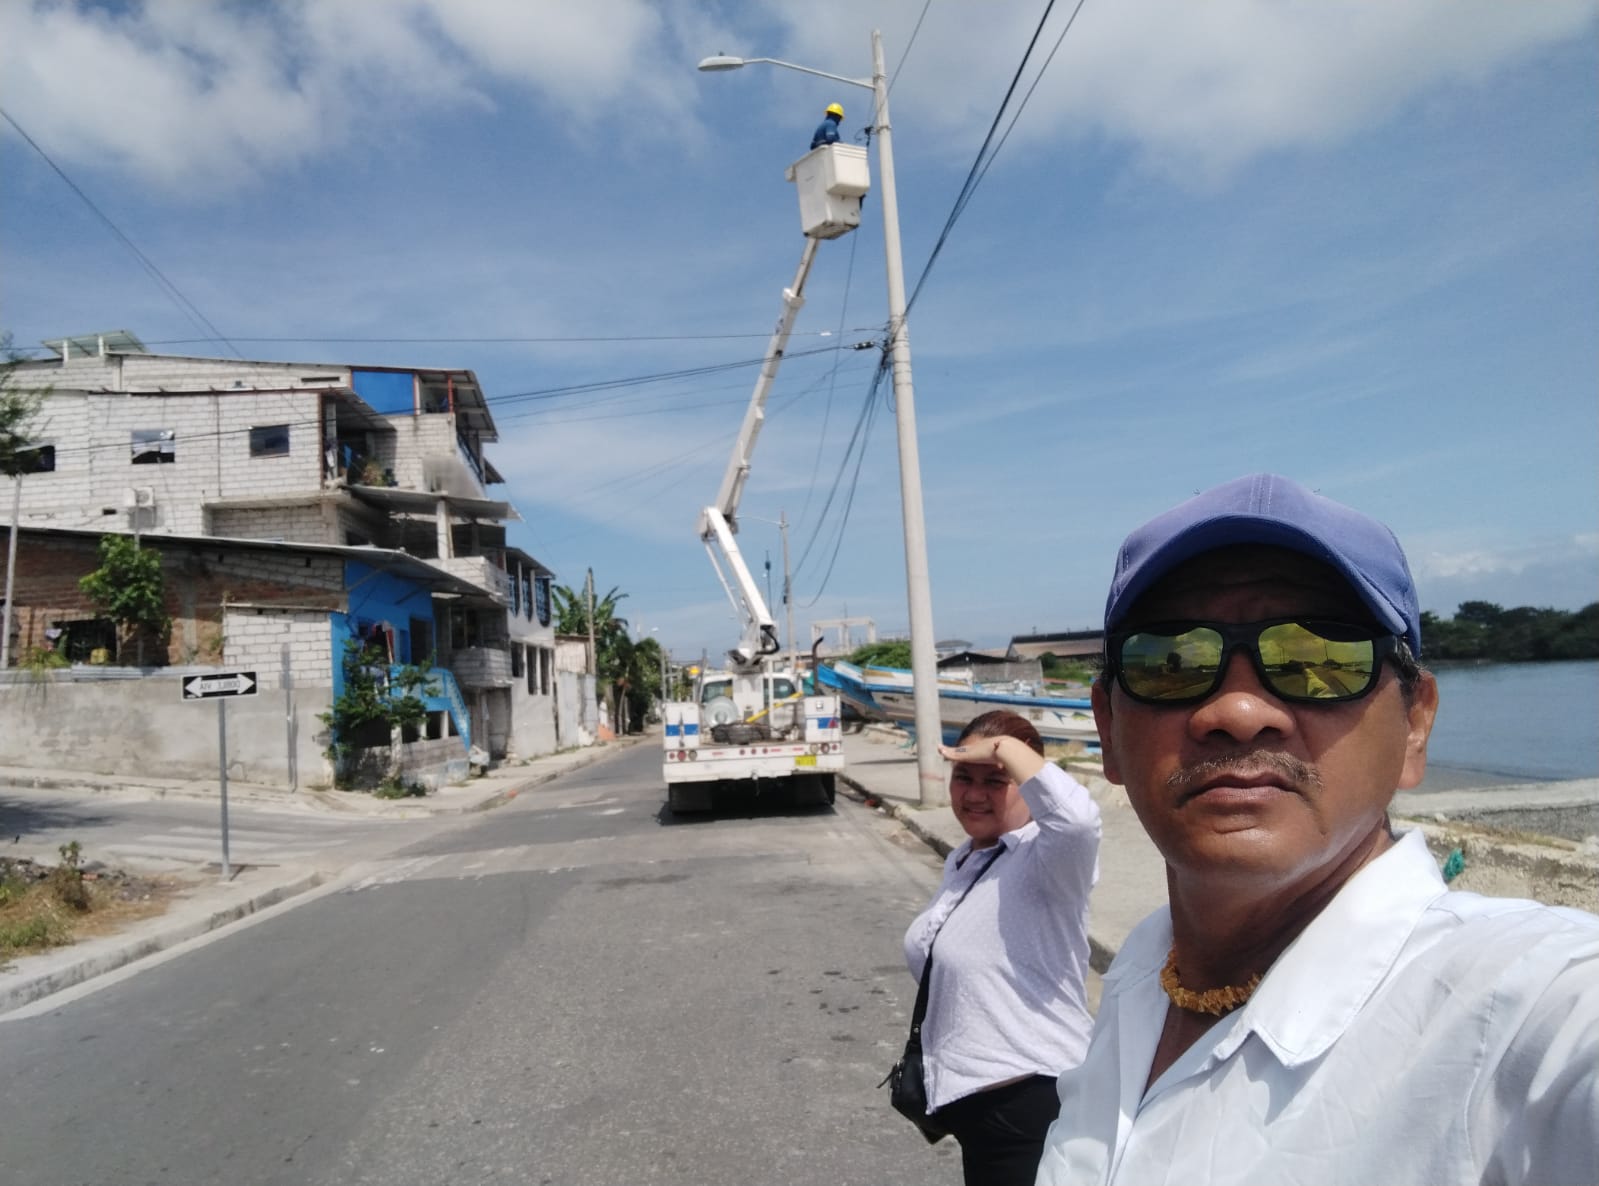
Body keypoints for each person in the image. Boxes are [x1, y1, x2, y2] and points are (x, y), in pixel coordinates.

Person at [1036, 473, 1599, 1185]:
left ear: (1415, 724)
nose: (1238, 712)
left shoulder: (1522, 1007)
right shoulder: (1145, 968)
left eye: (1317, 660)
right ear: (1109, 731)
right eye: (1170, 661)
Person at [902, 710, 1100, 1186]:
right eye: (963, 777)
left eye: (995, 780)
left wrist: (1002, 749)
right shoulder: (969, 858)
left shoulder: (1047, 860)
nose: (974, 795)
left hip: (1031, 1108)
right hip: (979, 1112)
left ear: (1027, 785)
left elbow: (1077, 821)